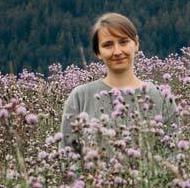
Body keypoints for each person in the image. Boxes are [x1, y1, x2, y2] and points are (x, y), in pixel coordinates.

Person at [60, 13, 179, 151]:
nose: (117, 52)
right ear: (98, 52)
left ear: (136, 44)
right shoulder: (80, 97)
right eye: (108, 45)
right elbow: (67, 155)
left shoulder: (161, 98)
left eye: (123, 42)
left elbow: (172, 154)